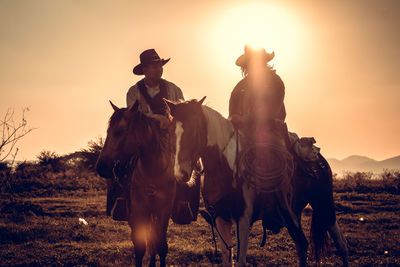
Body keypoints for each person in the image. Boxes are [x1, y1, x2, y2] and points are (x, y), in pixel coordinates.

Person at [229, 45, 286, 132]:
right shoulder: (239, 87)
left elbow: (272, 110)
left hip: (271, 132)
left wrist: (245, 119)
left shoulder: (275, 82)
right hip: (242, 132)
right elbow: (232, 114)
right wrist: (234, 119)